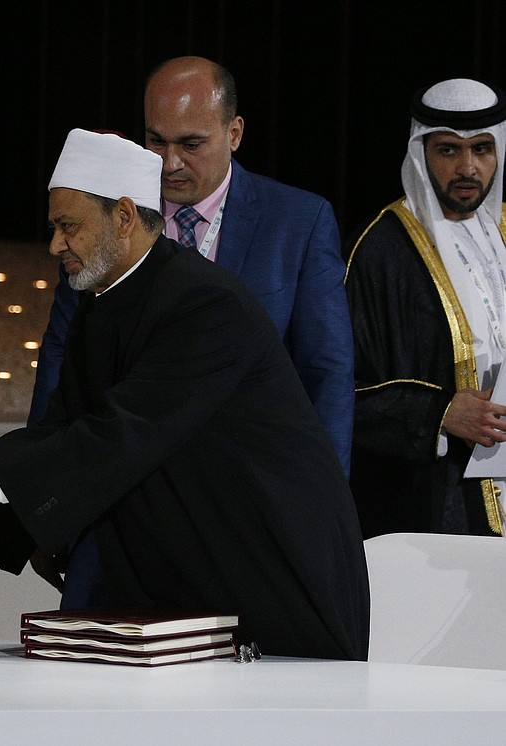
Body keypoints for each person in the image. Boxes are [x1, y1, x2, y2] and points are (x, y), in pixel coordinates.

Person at [0, 129, 370, 661]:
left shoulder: (206, 305)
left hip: (270, 572)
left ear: (123, 217)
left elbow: (122, 433)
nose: (55, 245)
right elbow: (62, 426)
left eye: (67, 226)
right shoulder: (104, 303)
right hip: (190, 568)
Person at [30, 56, 355, 609]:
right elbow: (62, 366)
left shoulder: (297, 223)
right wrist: (43, 505)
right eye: (155, 141)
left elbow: (326, 377)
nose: (169, 162)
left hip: (245, 526)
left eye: (190, 143)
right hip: (120, 518)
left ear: (234, 132)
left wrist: (316, 515)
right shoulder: (108, 219)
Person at [345, 78, 506, 538]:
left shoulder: (504, 232)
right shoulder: (382, 250)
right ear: (421, 152)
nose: (468, 167)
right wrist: (438, 413)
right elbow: (338, 393)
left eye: (482, 149)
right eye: (449, 151)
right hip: (434, 502)